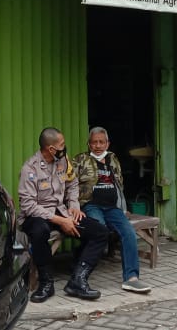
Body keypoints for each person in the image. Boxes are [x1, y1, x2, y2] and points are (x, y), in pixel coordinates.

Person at [18, 127, 109, 303]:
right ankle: (46, 284)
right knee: (39, 232)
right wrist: (61, 221)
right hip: (37, 216)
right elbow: (28, 206)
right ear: (51, 149)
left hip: (62, 211)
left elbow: (72, 182)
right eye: (61, 145)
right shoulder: (30, 168)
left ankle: (77, 280)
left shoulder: (62, 161)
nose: (64, 147)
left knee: (100, 232)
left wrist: (74, 205)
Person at [72, 127, 152, 294]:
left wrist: (123, 208)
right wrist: (73, 206)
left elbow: (120, 184)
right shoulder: (80, 159)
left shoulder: (113, 159)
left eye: (102, 142)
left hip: (112, 208)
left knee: (128, 232)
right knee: (98, 229)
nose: (98, 145)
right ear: (89, 144)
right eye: (94, 142)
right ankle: (80, 268)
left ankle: (131, 278)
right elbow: (70, 184)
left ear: (107, 143)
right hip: (91, 205)